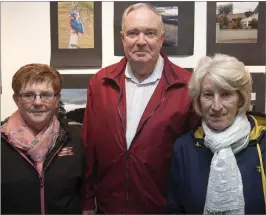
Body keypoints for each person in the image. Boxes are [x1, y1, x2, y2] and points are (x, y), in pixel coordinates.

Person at [81, 3, 199, 214]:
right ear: (123, 38)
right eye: (133, 33)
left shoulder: (186, 87)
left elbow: (194, 157)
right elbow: (89, 145)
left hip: (163, 208)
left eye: (150, 33)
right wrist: (88, 200)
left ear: (162, 38)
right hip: (109, 208)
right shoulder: (100, 83)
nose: (141, 41)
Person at [167, 54, 266, 214]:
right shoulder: (184, 148)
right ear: (198, 100)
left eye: (226, 94)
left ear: (240, 99)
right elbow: (175, 208)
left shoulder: (262, 140)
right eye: (208, 95)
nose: (216, 106)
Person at [1, 63, 86, 214]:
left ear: (57, 99)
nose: (38, 102)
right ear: (16, 99)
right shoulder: (2, 140)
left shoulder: (76, 138)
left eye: (46, 95)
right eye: (28, 95)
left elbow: (86, 191)